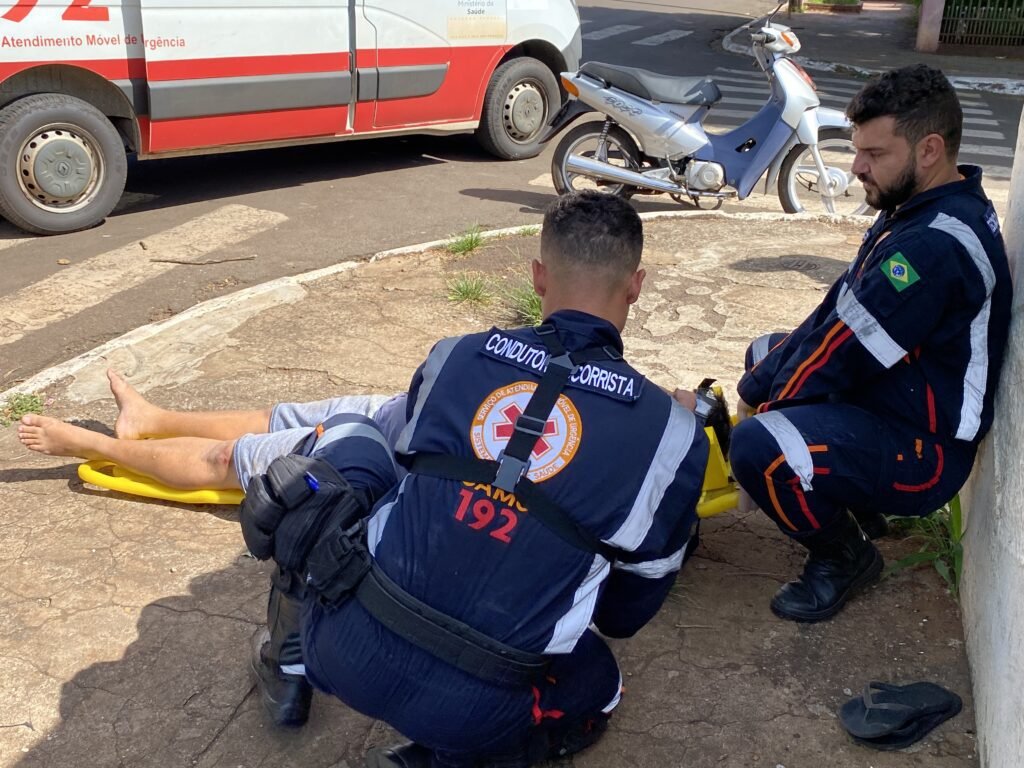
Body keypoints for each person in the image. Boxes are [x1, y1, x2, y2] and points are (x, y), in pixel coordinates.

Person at [20, 190, 710, 767]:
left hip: (342, 644)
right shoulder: (671, 435)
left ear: (536, 276)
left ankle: (288, 661)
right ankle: (447, 753)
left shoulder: (454, 359)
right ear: (637, 286)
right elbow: (621, 614)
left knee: (334, 452)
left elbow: (404, 470)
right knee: (598, 685)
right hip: (473, 705)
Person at [728, 65, 1012, 624]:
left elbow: (843, 351)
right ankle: (853, 499)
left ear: (929, 149)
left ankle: (846, 557)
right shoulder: (923, 207)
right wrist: (758, 384)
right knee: (765, 356)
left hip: (927, 451)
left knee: (761, 447)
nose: (856, 166)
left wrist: (758, 407)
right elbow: (840, 310)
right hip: (901, 393)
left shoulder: (931, 248)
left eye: (875, 154)